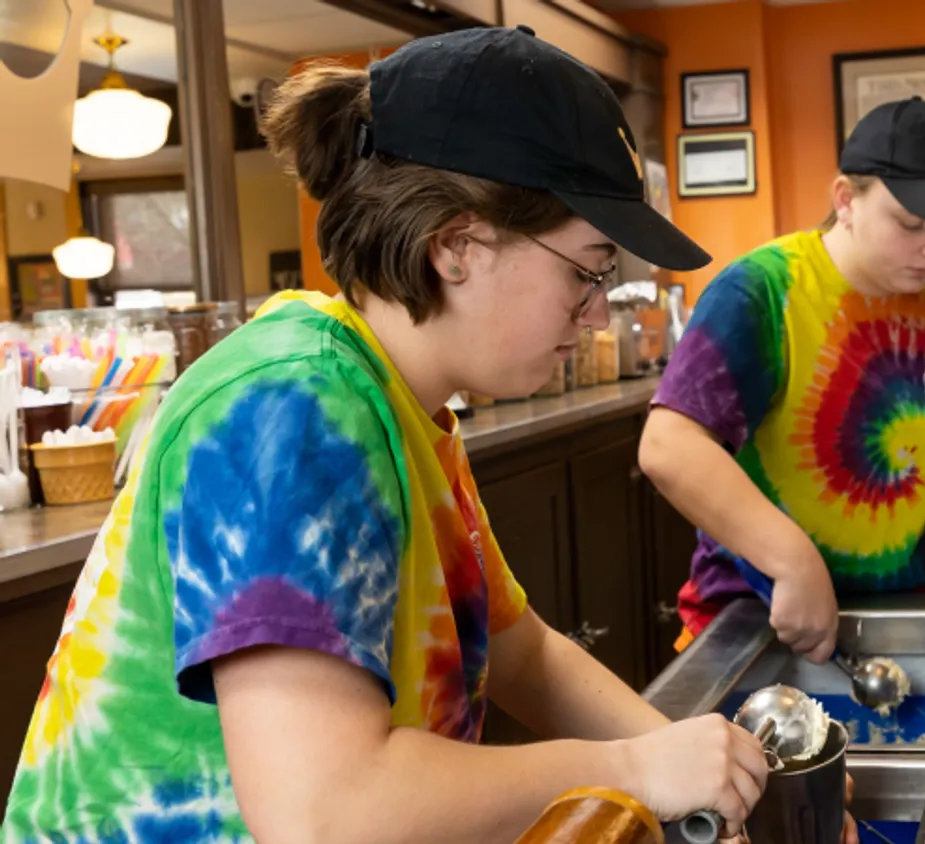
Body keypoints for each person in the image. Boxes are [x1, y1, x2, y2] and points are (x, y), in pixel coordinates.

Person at [2, 27, 777, 844]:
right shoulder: (295, 405)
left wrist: (686, 757)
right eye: (585, 272)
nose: (594, 314)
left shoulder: (404, 403)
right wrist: (635, 771)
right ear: (457, 245)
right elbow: (324, 813)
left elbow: (522, 653)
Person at [640, 97, 925, 661]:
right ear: (845, 200)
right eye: (912, 224)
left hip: (907, 618)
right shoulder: (764, 292)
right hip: (756, 621)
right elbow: (668, 447)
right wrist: (792, 560)